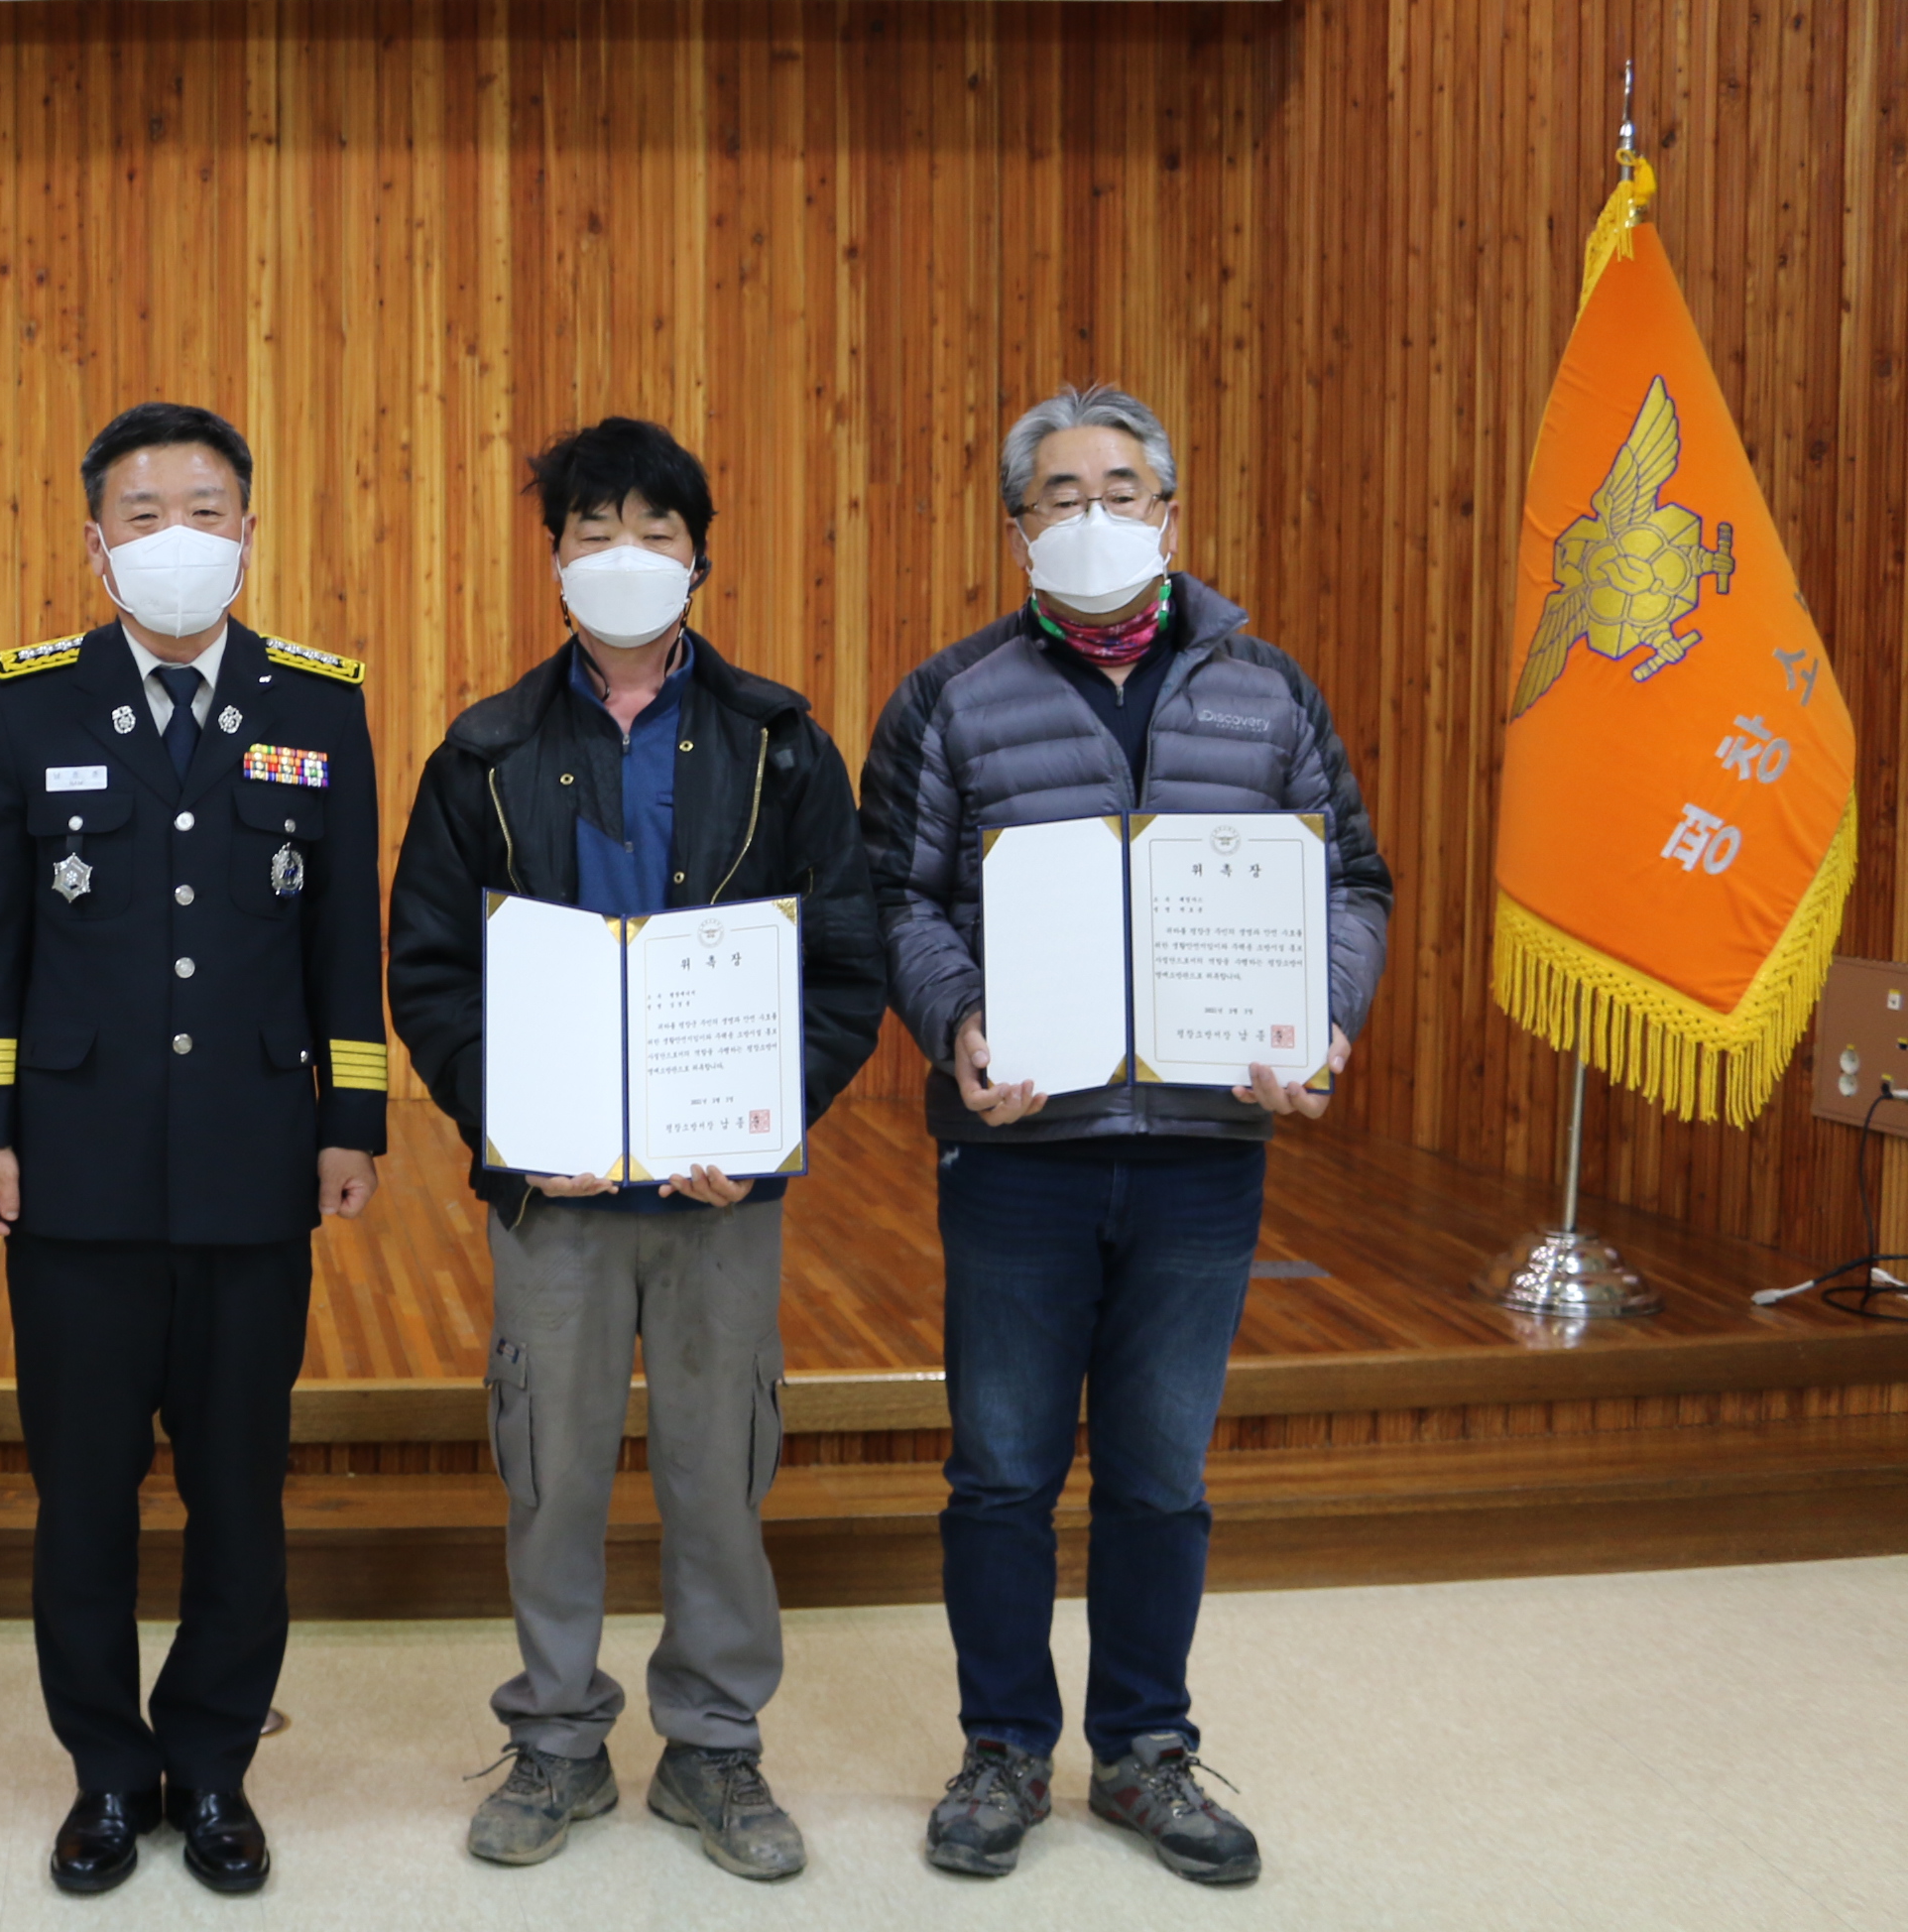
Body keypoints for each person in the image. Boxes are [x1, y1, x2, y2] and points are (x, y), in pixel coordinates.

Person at [867, 385, 1392, 1887]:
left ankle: (1146, 1747)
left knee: (1162, 1473)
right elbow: (897, 893)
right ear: (1017, 528)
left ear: (1170, 513)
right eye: (1060, 495)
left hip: (1205, 1149)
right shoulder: (950, 696)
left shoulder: (1267, 691)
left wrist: (1323, 1017)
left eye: (1120, 490)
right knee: (1002, 1470)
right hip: (1020, 1144)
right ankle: (1002, 1748)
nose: (1092, 516)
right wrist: (958, 1019)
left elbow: (1351, 883)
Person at [383, 417, 886, 1879]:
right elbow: (430, 971)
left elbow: (843, 967)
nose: (625, 557)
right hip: (554, 1196)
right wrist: (509, 1122)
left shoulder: (781, 744)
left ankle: (714, 1744)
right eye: (594, 531)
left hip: (720, 1190)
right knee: (549, 1468)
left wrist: (765, 1118)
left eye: (655, 533)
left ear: (699, 559)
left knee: (720, 1468)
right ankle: (556, 1737)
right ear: (554, 559)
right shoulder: (481, 753)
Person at [0, 401, 389, 1898]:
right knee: (82, 1496)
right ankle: (105, 1773)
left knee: (239, 1493)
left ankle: (211, 1766)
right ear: (96, 543)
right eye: (144, 514)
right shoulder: (29, 704)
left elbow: (343, 938)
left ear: (249, 532)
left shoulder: (317, 702)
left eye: (204, 510)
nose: (175, 537)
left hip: (255, 1164)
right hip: (73, 1170)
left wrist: (352, 1118)